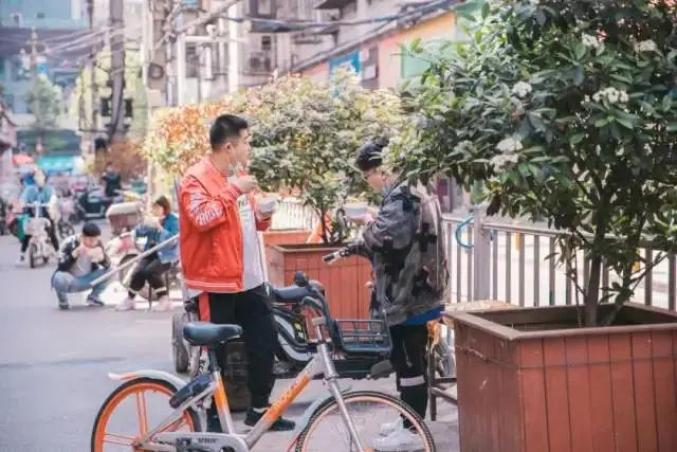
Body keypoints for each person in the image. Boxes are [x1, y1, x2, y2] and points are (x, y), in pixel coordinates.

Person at [178, 114, 294, 431]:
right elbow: (202, 218)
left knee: (264, 343)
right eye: (246, 142)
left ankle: (260, 409)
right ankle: (214, 419)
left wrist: (263, 214)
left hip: (249, 279)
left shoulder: (238, 176)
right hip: (216, 282)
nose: (249, 147)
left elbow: (245, 220)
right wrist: (232, 190)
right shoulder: (195, 179)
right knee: (216, 353)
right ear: (229, 146)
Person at [341, 138, 448, 450]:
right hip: (416, 288)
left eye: (368, 176)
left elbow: (384, 239)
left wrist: (366, 222)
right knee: (406, 360)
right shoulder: (413, 188)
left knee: (410, 362)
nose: (369, 183)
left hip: (411, 295)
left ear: (382, 170)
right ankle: (407, 419)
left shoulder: (403, 196)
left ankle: (412, 431)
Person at [116, 195, 179, 312]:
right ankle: (130, 299)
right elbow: (140, 232)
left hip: (167, 255)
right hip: (150, 251)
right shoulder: (152, 219)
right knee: (138, 272)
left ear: (164, 208)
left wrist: (160, 227)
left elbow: (172, 241)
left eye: (157, 207)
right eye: (153, 208)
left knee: (151, 271)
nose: (154, 210)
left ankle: (164, 299)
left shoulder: (173, 221)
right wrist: (144, 225)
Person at [52, 222, 111, 310]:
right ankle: (63, 301)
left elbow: (108, 264)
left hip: (88, 279)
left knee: (111, 271)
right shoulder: (69, 243)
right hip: (71, 280)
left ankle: (93, 296)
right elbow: (61, 266)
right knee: (58, 277)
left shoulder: (98, 243)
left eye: (96, 240)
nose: (93, 243)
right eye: (91, 240)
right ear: (83, 237)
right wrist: (73, 255)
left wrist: (102, 259)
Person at [18, 169, 59, 263]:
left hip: (45, 214)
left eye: (40, 175)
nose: (38, 177)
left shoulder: (49, 189)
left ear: (45, 177)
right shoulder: (30, 189)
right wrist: (23, 203)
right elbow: (23, 197)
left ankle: (58, 253)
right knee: (28, 233)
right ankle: (22, 254)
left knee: (51, 232)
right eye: (36, 175)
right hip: (33, 215)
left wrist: (51, 203)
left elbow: (53, 197)